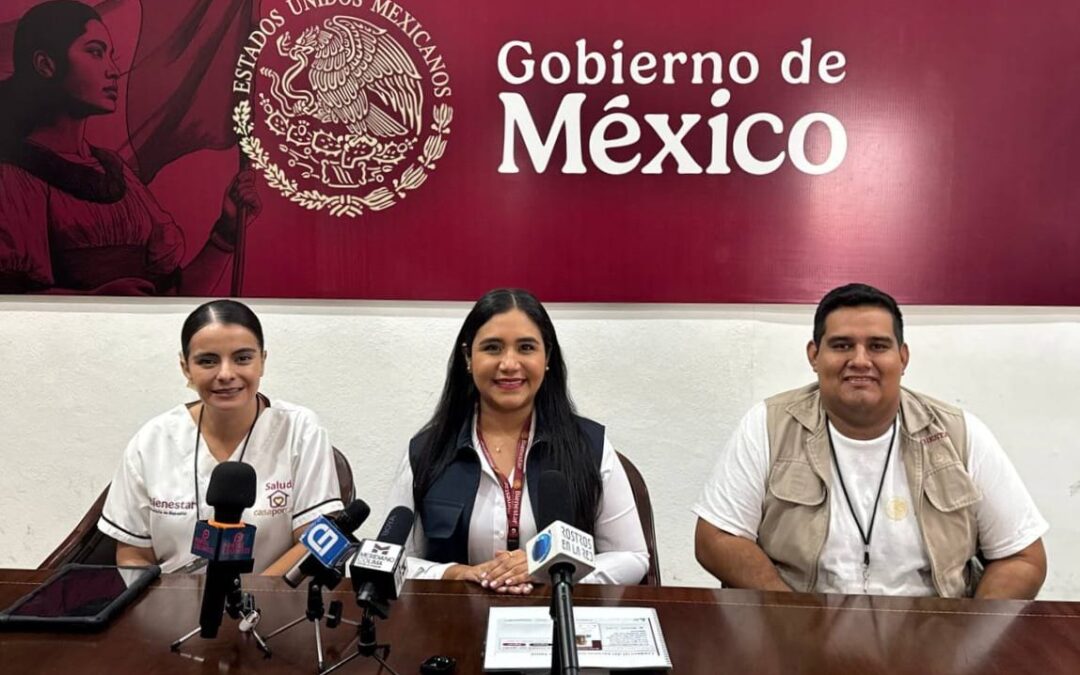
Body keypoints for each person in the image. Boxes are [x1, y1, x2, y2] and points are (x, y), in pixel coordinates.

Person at [694, 283, 1048, 599]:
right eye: (842, 345)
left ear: (903, 357)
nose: (860, 361)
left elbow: (1023, 558)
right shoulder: (768, 425)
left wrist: (966, 636)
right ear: (814, 355)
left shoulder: (959, 433)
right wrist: (789, 616)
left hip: (932, 635)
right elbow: (716, 538)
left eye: (878, 346)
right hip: (797, 632)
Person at [387, 288, 649, 593]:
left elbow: (631, 557)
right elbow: (393, 559)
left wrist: (550, 570)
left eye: (526, 347)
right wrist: (454, 574)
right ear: (468, 357)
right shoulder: (426, 452)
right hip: (454, 619)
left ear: (547, 356)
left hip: (559, 617)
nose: (509, 363)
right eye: (492, 348)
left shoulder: (590, 445)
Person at [0, 0, 259, 295]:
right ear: (46, 65)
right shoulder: (13, 180)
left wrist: (226, 231)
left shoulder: (116, 172)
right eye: (95, 52)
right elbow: (13, 306)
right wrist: (101, 302)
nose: (113, 70)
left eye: (111, 56)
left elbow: (173, 298)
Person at [98, 300, 344, 574]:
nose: (226, 374)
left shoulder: (300, 430)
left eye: (243, 358)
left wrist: (252, 596)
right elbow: (133, 554)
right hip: (172, 599)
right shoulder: (151, 441)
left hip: (272, 599)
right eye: (207, 361)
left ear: (262, 361)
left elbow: (315, 543)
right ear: (185, 367)